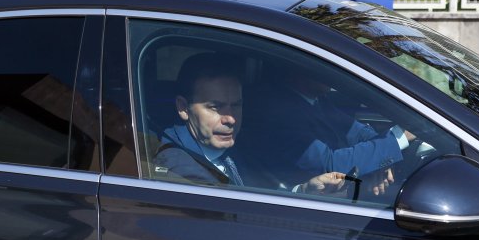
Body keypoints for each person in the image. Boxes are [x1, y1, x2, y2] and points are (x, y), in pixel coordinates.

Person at [152, 53, 350, 195]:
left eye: (236, 105)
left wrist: (305, 190)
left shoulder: (239, 147)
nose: (230, 118)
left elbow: (263, 194)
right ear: (183, 108)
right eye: (215, 107)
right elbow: (237, 218)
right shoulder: (178, 169)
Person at [239, 66, 427, 194]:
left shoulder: (315, 99)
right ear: (300, 68)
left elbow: (357, 132)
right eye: (321, 65)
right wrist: (399, 138)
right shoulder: (278, 113)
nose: (331, 72)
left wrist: (382, 160)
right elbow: (330, 164)